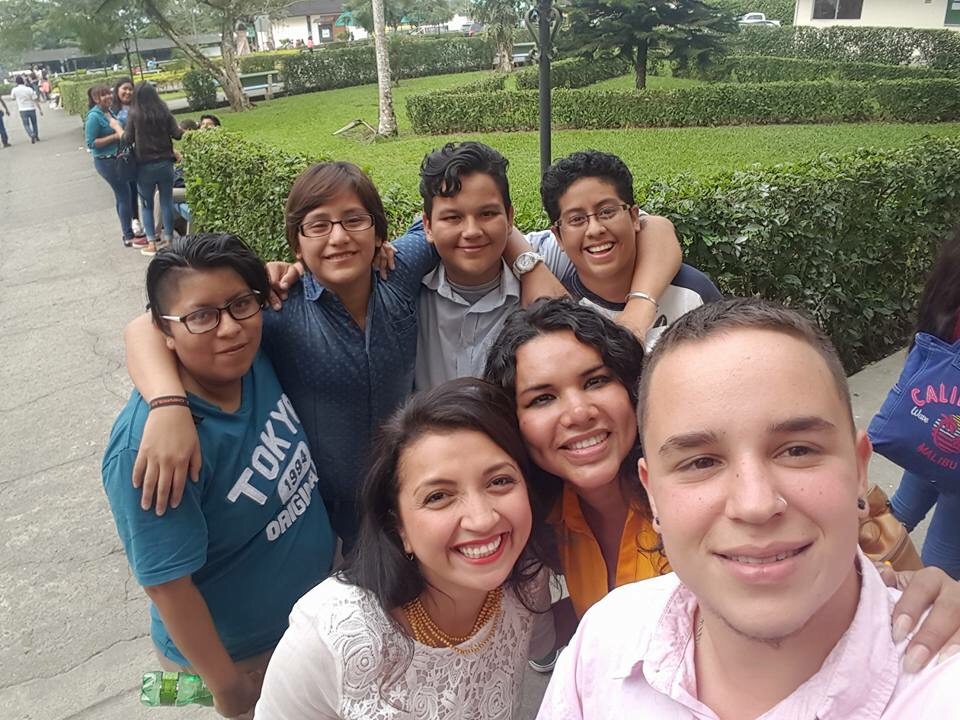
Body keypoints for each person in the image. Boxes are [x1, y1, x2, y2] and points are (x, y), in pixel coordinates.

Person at [486, 297, 960, 674]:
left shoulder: (712, 508)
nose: (577, 412)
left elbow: (859, 592)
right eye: (542, 398)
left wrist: (925, 594)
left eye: (595, 381)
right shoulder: (541, 521)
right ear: (515, 424)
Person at [124, 161, 566, 548]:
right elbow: (149, 325)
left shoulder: (400, 270)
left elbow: (466, 219)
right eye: (318, 225)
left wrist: (526, 261)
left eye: (355, 220)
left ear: (378, 233)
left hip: (413, 501)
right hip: (328, 522)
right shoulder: (278, 307)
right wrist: (168, 404)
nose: (339, 237)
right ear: (296, 243)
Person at [102, 233, 335, 720]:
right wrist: (226, 687)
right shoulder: (149, 450)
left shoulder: (250, 359)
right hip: (246, 657)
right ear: (167, 331)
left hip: (313, 616)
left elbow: (147, 323)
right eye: (203, 317)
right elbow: (167, 584)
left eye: (240, 305)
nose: (229, 329)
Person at [255, 378, 555, 719]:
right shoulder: (328, 638)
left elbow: (546, 641)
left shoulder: (525, 575)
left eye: (499, 481)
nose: (482, 519)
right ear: (398, 526)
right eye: (438, 496)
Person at [415, 141, 681, 390]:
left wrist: (638, 311)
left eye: (488, 213)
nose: (472, 231)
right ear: (427, 225)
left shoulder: (546, 257)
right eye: (453, 217)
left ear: (510, 218)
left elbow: (654, 227)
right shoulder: (409, 284)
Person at [535, 150, 723, 350]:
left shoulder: (691, 292)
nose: (595, 229)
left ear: (634, 217)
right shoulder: (562, 317)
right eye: (577, 219)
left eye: (607, 212)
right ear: (558, 236)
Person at [890, 229, 960, 577]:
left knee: (895, 519)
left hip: (932, 423)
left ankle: (860, 588)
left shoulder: (951, 271)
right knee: (941, 561)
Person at [124, 82, 183, 256]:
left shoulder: (134, 114)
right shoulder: (163, 111)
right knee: (166, 202)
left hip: (144, 166)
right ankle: (169, 240)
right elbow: (177, 134)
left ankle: (151, 243)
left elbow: (127, 139)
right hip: (166, 164)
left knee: (147, 205)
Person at [84, 84, 136, 247]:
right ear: (95, 99)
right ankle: (128, 235)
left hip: (118, 158)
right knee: (124, 195)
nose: (108, 97)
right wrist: (114, 137)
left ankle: (128, 231)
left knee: (124, 195)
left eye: (109, 93)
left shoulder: (109, 112)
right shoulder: (94, 117)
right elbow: (91, 143)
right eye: (103, 95)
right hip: (106, 162)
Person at [111, 77, 146, 240]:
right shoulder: (112, 111)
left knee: (145, 188)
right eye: (124, 88)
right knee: (129, 189)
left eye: (130, 89)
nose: (127, 92)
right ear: (117, 90)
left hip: (143, 152)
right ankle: (134, 220)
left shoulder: (140, 108)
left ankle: (149, 222)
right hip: (125, 156)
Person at [10, 75, 42, 144]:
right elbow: (35, 99)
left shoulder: (15, 90)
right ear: (23, 81)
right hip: (31, 108)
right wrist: (40, 109)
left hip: (22, 109)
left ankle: (31, 134)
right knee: (34, 123)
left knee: (26, 124)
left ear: (16, 82)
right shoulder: (29, 89)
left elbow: (12, 98)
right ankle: (36, 136)